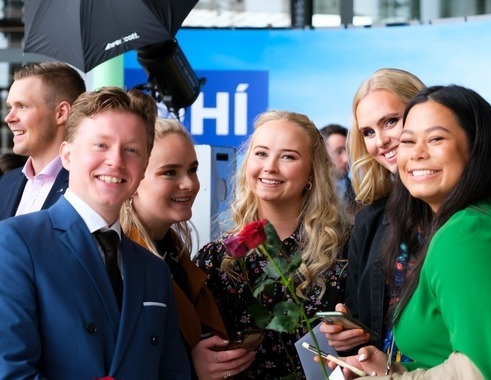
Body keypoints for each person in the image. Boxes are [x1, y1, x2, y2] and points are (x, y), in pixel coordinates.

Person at [0, 87, 190, 379]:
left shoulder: (154, 271)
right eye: (101, 145)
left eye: (131, 150)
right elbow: (11, 371)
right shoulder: (16, 243)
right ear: (67, 154)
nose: (116, 161)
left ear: (143, 167)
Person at [341, 84, 491, 379]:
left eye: (435, 139)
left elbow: (489, 369)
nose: (416, 153)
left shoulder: (467, 232)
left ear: (477, 147)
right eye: (408, 141)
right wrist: (389, 369)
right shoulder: (460, 225)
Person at [195, 110, 350, 379]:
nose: (270, 166)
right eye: (261, 153)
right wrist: (196, 359)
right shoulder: (216, 260)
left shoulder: (345, 251)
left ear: (312, 172)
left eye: (288, 156)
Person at [120, 117, 255, 379]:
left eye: (192, 169)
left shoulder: (176, 254)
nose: (190, 184)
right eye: (170, 172)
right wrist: (190, 368)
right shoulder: (119, 260)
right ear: (132, 179)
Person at [320, 68, 425, 357]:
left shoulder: (466, 213)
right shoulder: (369, 222)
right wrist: (348, 336)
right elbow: (366, 334)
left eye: (390, 121)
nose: (380, 141)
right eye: (368, 132)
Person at [0, 61, 86, 220]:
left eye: (22, 106)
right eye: (10, 107)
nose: (9, 118)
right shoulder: (5, 184)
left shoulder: (89, 187)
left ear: (61, 113)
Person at [320, 123, 358, 222]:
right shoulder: (307, 193)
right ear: (322, 154)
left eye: (349, 151)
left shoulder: (362, 194)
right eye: (339, 151)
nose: (346, 159)